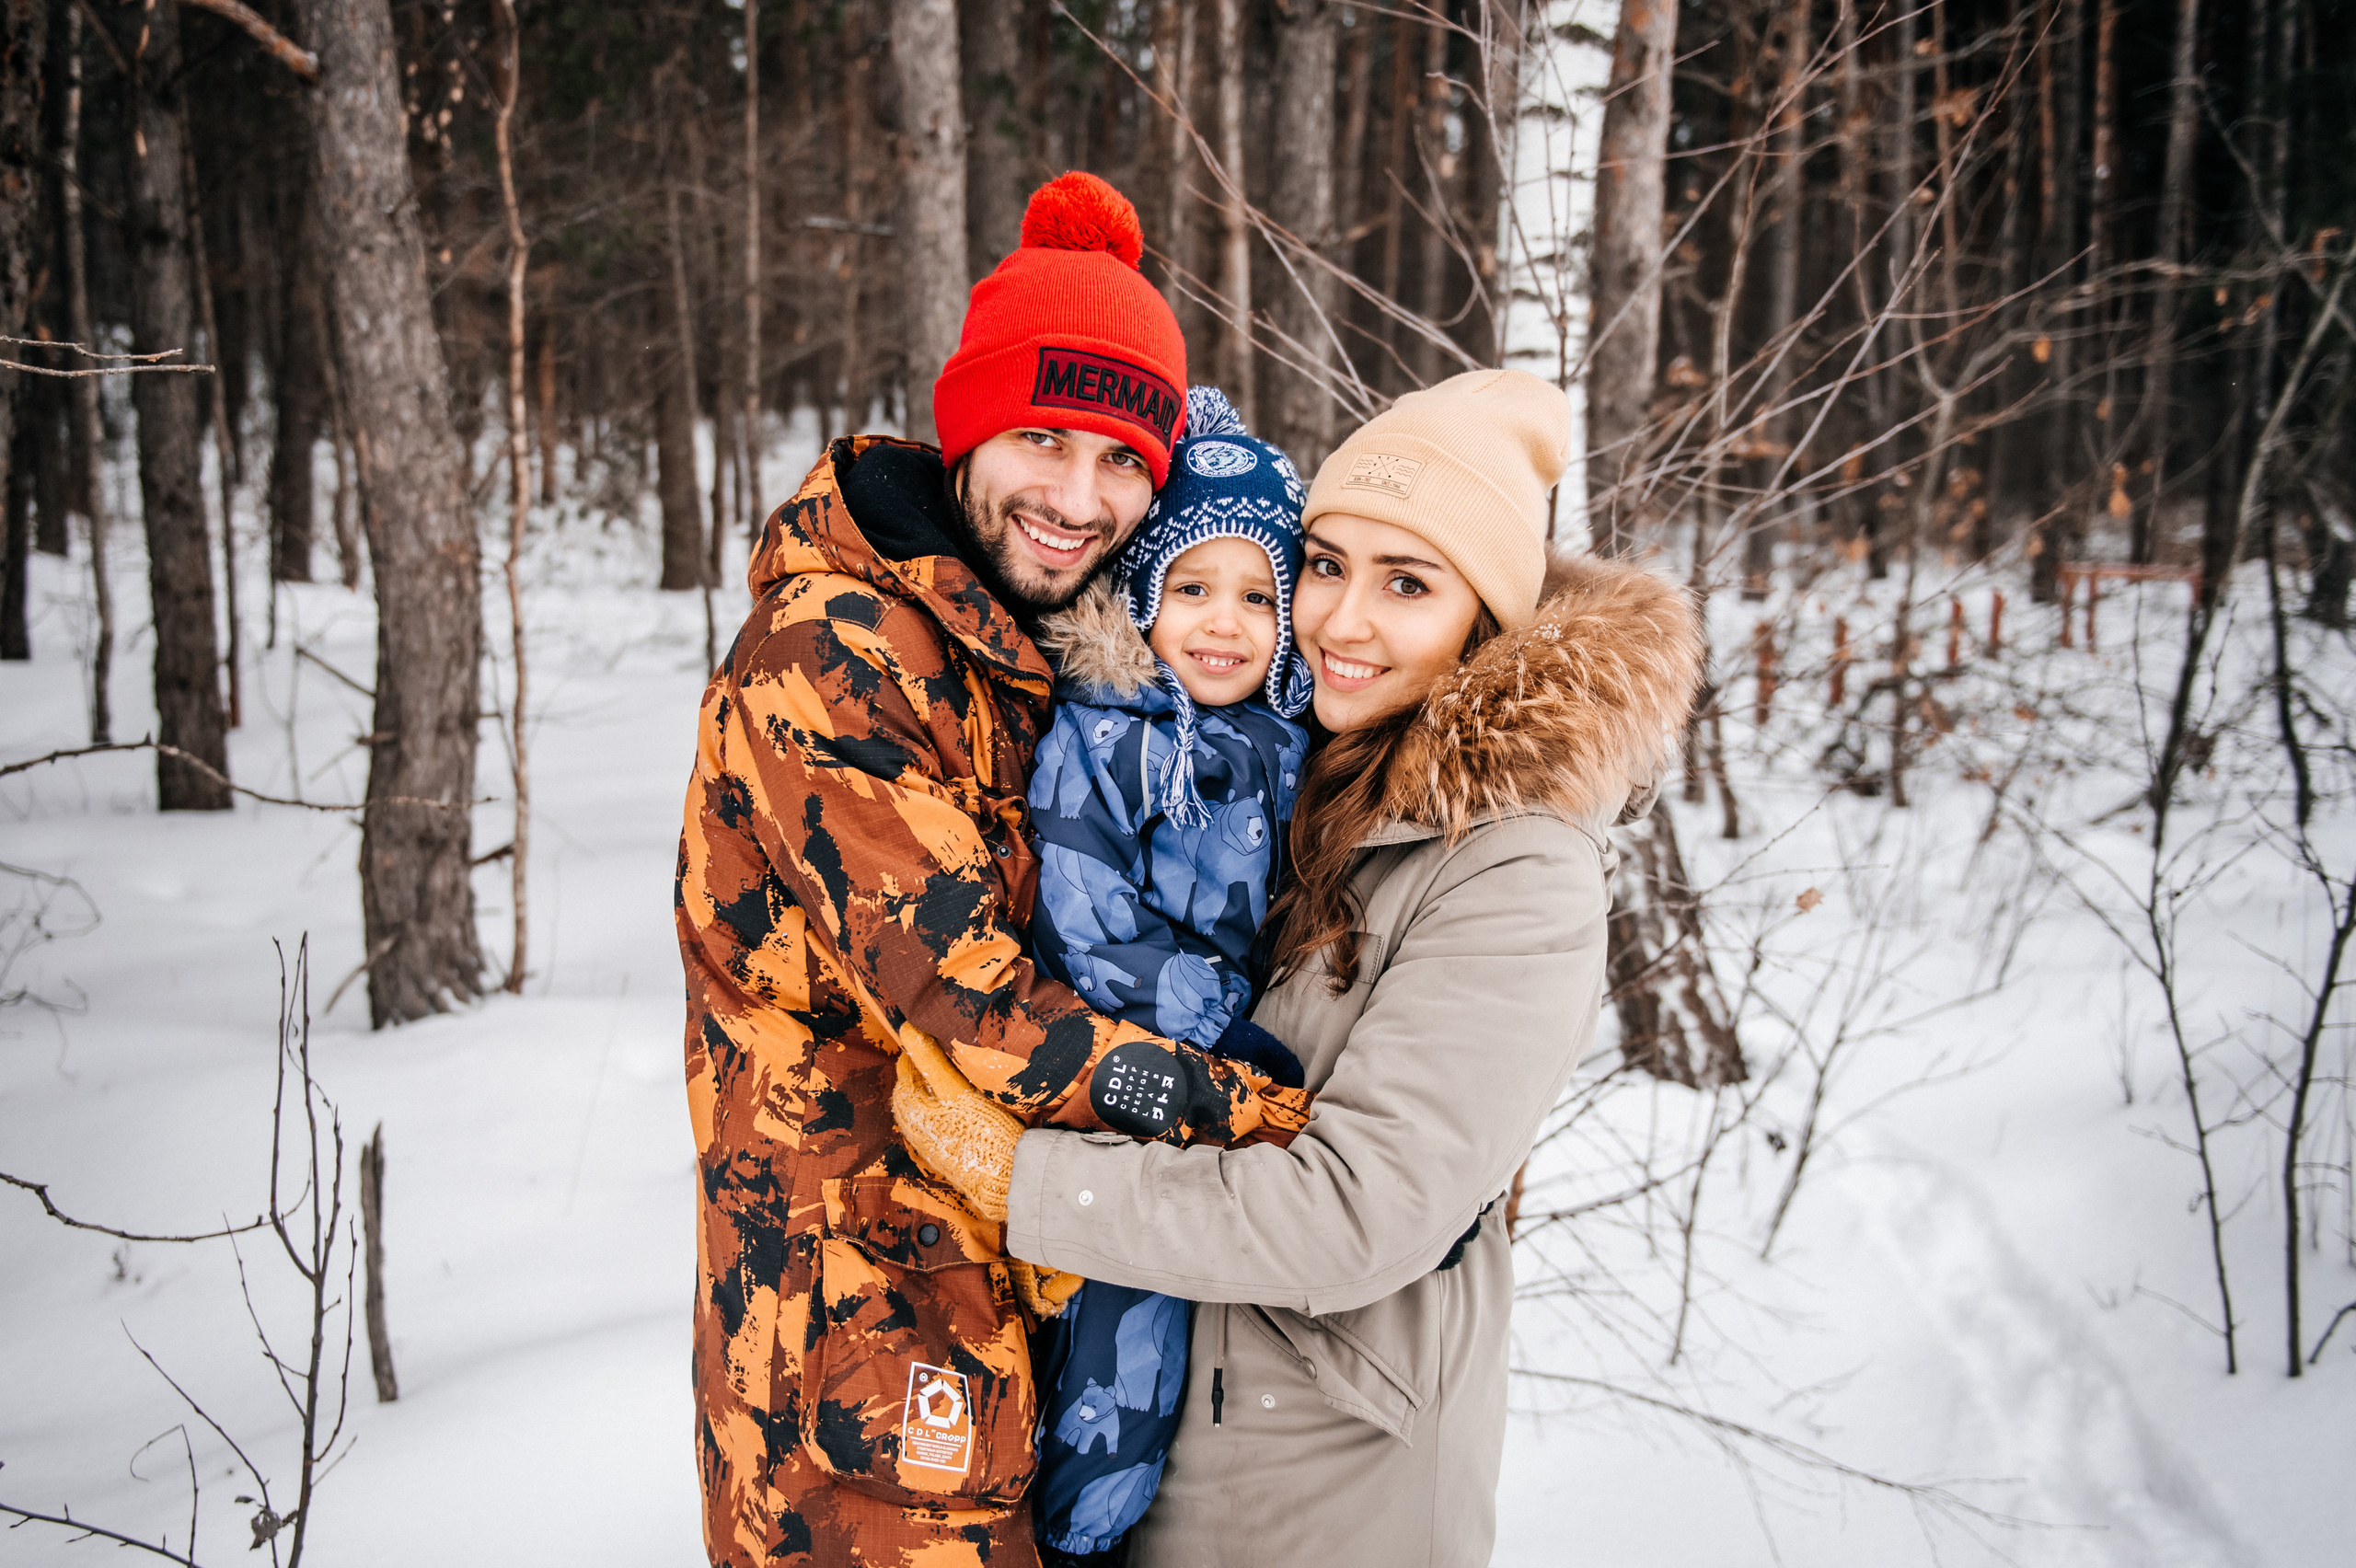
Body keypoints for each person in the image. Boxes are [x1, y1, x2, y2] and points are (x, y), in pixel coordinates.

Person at [898, 368, 1706, 1565]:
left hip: (1331, 1483)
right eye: (1324, 564)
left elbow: (1359, 1214)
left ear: (1486, 616)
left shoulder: (1516, 870)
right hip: (1188, 1439)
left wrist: (1027, 1185)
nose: (1340, 620)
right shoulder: (1309, 775)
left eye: (1408, 583)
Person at [676, 172, 1311, 1568]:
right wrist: (1281, 1127)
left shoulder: (1032, 641)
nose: (1080, 500)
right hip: (859, 1351)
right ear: (970, 426)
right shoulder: (834, 650)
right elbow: (968, 994)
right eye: (1043, 439)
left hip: (1007, 1316)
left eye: (1122, 460)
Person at [1012, 386, 1313, 1562]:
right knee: (1116, 1348)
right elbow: (1087, 919)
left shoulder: (1300, 741)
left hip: (1236, 1101)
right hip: (1128, 1091)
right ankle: (1074, 1537)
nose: (1222, 623)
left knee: (1207, 1357)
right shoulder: (1107, 730)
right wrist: (1226, 1022)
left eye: (1256, 596)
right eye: (1192, 589)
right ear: (1145, 597)